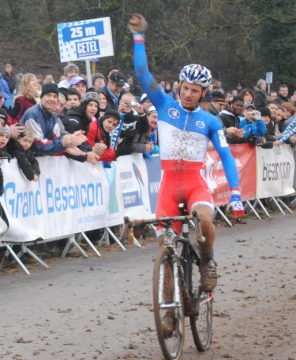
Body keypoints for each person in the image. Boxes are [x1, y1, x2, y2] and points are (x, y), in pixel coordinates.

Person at [129, 13, 243, 301]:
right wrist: (139, 37)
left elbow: (226, 157)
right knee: (165, 249)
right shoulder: (164, 104)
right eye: (185, 88)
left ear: (203, 92)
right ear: (179, 85)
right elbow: (142, 73)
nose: (188, 94)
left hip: (194, 183)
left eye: (195, 90)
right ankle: (168, 309)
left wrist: (236, 193)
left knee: (205, 219)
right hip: (169, 183)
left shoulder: (211, 121)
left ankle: (207, 262)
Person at [20, 83, 87, 157]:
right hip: (27, 158)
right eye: (48, 95)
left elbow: (56, 139)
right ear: (42, 97)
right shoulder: (32, 114)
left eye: (54, 96)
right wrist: (64, 142)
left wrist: (72, 140)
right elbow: (37, 144)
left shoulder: (53, 115)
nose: (51, 99)